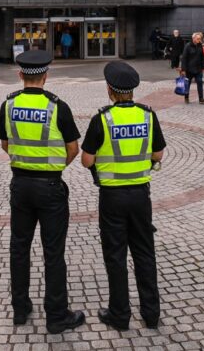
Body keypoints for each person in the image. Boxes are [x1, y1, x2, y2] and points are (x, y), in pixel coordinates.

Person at [0, 49, 86, 334]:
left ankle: (20, 309)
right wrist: (55, 166)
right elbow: (74, 149)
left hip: (20, 186)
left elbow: (5, 144)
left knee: (19, 248)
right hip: (50, 186)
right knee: (53, 252)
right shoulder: (58, 107)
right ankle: (57, 316)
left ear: (21, 75)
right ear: (46, 76)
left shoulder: (8, 105)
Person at [80, 61, 165, 331]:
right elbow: (158, 154)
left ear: (110, 90)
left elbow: (86, 160)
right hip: (141, 195)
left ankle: (119, 314)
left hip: (112, 198)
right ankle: (151, 314)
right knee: (144, 253)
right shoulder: (148, 116)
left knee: (115, 255)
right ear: (132, 91)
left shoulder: (102, 119)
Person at [180, 32, 204, 105]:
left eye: (200, 39)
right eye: (198, 39)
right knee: (187, 84)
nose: (199, 40)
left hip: (198, 69)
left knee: (200, 83)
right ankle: (186, 98)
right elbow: (184, 58)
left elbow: (202, 57)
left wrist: (202, 67)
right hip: (189, 69)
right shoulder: (188, 46)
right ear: (193, 39)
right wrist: (183, 69)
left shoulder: (200, 46)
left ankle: (201, 99)